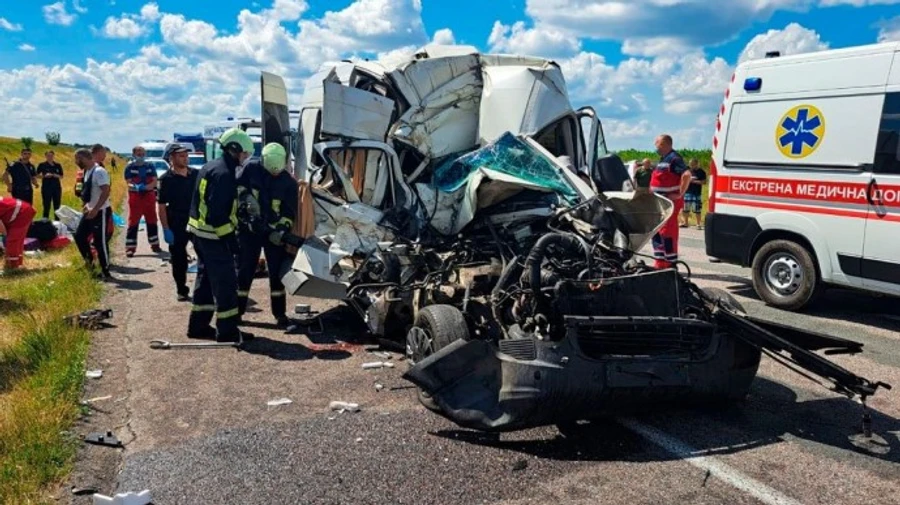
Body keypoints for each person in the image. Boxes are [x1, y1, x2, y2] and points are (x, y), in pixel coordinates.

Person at [186, 128, 255, 343]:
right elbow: (218, 215)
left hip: (199, 234)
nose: (244, 159)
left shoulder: (210, 166)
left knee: (205, 280)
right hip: (214, 238)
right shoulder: (225, 174)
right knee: (226, 284)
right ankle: (228, 332)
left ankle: (198, 326)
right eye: (244, 154)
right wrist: (231, 242)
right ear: (234, 150)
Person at [236, 143, 299, 328]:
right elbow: (239, 189)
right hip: (249, 231)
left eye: (277, 173)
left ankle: (280, 314)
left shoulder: (288, 182)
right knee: (245, 271)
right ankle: (237, 312)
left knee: (277, 275)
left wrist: (280, 230)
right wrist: (246, 202)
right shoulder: (251, 168)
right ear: (263, 161)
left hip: (272, 234)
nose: (275, 175)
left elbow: (289, 213)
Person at [157, 144, 198, 301]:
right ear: (171, 158)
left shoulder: (196, 174)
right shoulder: (166, 180)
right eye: (180, 155)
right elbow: (161, 206)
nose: (185, 158)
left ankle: (207, 288)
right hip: (177, 222)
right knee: (179, 259)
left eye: (186, 155)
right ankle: (182, 289)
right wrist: (166, 228)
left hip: (196, 220)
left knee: (206, 255)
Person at [649, 134, 692, 270]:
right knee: (657, 231)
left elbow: (687, 175)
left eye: (658, 144)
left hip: (668, 202)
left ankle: (670, 262)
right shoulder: (663, 160)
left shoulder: (674, 159)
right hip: (659, 201)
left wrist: (680, 194)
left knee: (668, 233)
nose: (656, 147)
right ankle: (660, 261)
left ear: (666, 144)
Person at [73, 148, 114, 280]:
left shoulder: (99, 171)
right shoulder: (87, 171)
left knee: (99, 241)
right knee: (79, 236)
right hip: (89, 209)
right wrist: (86, 205)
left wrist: (96, 208)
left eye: (77, 159)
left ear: (84, 158)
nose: (76, 162)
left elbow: (106, 191)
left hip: (100, 211)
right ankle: (89, 262)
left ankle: (105, 269)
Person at [123, 146, 161, 257]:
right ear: (134, 154)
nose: (141, 155)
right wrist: (136, 187)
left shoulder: (150, 166)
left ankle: (155, 245)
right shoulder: (129, 167)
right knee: (133, 222)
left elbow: (154, 181)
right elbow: (128, 182)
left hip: (149, 197)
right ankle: (130, 248)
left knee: (152, 221)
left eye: (143, 153)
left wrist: (146, 187)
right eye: (138, 153)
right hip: (136, 198)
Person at [0, 197, 37, 270]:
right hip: (20, 212)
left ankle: (13, 267)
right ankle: (17, 263)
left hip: (22, 213)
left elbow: (1, 226)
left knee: (12, 241)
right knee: (17, 240)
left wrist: (5, 235)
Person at [680, 158, 707, 229]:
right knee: (685, 209)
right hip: (687, 192)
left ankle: (698, 224)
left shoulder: (701, 172)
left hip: (696, 193)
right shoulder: (687, 171)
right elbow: (682, 180)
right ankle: (685, 223)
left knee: (697, 209)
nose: (691, 165)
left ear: (696, 164)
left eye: (692, 164)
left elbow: (704, 182)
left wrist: (693, 181)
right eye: (690, 164)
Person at [37, 150, 64, 219]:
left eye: (51, 155)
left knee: (57, 206)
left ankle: (57, 222)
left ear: (53, 156)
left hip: (56, 188)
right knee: (46, 205)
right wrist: (44, 176)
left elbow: (61, 176)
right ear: (45, 156)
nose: (50, 157)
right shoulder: (42, 165)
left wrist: (54, 175)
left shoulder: (57, 165)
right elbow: (37, 175)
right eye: (48, 156)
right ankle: (45, 222)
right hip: (46, 188)